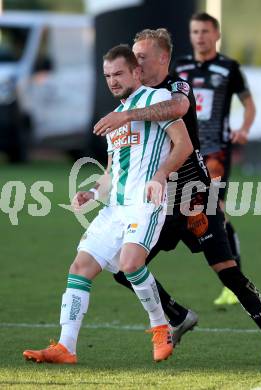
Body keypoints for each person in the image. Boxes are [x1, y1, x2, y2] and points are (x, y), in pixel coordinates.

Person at [93, 29, 261, 367]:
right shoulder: (131, 101)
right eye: (133, 57)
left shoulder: (174, 88)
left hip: (194, 196)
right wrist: (101, 188)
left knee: (227, 272)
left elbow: (180, 105)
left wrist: (127, 115)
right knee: (124, 269)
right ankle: (178, 315)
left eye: (142, 57)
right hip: (159, 204)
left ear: (162, 59)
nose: (135, 63)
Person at [23, 44, 193, 364]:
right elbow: (113, 171)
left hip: (146, 202)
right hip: (114, 207)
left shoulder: (155, 100)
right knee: (80, 268)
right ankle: (66, 347)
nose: (112, 81)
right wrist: (93, 192)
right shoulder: (116, 115)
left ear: (136, 72)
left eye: (118, 74)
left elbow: (184, 145)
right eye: (107, 76)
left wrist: (160, 175)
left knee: (130, 264)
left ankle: (161, 327)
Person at [172, 12, 256, 305]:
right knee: (199, 211)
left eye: (205, 31)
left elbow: (249, 104)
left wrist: (244, 128)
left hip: (216, 151)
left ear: (216, 34)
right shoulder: (179, 67)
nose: (200, 37)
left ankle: (234, 283)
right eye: (195, 32)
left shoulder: (228, 68)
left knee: (214, 207)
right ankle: (234, 280)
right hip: (185, 152)